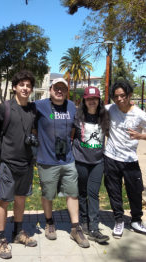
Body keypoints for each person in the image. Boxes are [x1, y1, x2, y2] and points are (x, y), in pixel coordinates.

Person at [34, 78, 90, 248]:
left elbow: (75, 126)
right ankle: (49, 222)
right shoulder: (39, 105)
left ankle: (75, 227)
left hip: (67, 158)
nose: (59, 91)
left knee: (72, 192)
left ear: (66, 91)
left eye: (63, 89)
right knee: (48, 193)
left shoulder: (72, 106)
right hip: (46, 159)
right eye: (56, 88)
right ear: (50, 89)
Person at [104, 81, 146, 239]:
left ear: (129, 95)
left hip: (130, 159)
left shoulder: (139, 114)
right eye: (116, 96)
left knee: (135, 191)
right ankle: (118, 220)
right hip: (111, 158)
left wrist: (140, 136)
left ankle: (136, 221)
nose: (120, 99)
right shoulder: (109, 109)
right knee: (114, 192)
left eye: (123, 96)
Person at [0, 70, 38, 259]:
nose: (25, 88)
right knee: (4, 201)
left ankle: (18, 232)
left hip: (27, 162)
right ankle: (1, 240)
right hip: (8, 163)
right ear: (14, 87)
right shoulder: (4, 108)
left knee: (21, 198)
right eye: (22, 85)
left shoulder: (33, 109)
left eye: (28, 85)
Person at [72, 86, 110, 243]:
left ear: (99, 100)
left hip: (98, 161)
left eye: (95, 98)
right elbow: (70, 134)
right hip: (80, 159)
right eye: (89, 98)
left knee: (93, 193)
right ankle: (84, 221)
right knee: (82, 192)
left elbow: (110, 134)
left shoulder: (105, 117)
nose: (92, 101)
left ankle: (94, 227)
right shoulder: (77, 116)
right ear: (84, 100)